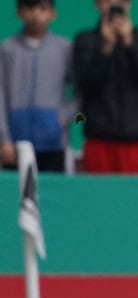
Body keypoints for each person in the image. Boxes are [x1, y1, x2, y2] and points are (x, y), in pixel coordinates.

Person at [72, 0, 138, 174]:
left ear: (129, 4)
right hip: (98, 137)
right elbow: (85, 82)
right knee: (97, 195)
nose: (113, 3)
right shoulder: (85, 39)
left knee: (135, 196)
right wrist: (106, 47)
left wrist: (129, 42)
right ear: (97, 4)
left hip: (135, 137)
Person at [0, 0, 76, 172]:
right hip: (14, 143)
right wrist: (4, 138)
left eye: (42, 9)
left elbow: (81, 93)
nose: (35, 14)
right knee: (15, 196)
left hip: (54, 143)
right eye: (29, 8)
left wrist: (68, 117)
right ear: (19, 13)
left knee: (55, 195)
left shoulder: (65, 47)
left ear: (52, 14)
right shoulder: (7, 48)